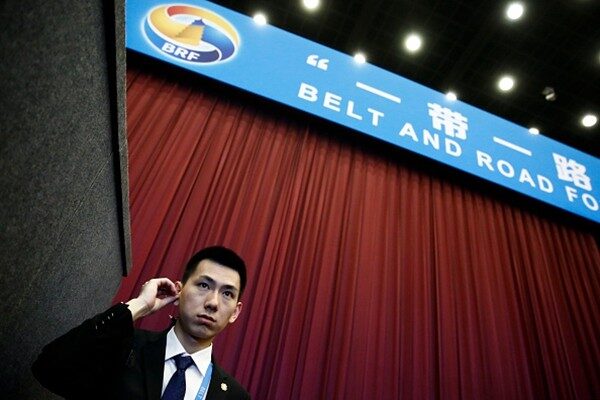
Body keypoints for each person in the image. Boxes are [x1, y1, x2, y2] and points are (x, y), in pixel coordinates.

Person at [32, 246, 251, 400]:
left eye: (227, 294)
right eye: (203, 285)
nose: (213, 302)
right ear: (179, 291)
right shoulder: (124, 345)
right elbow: (49, 368)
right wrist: (137, 306)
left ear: (235, 312)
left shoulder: (235, 396)